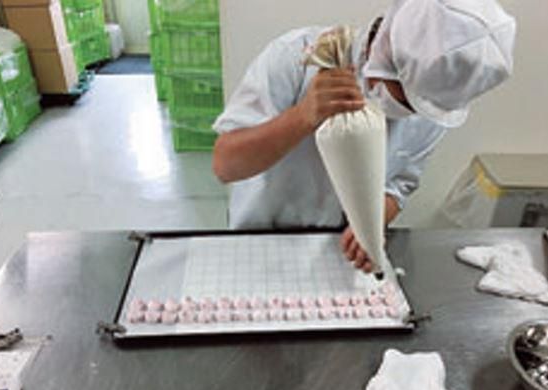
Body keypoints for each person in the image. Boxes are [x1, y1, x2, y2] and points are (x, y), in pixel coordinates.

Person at [212, 0, 516, 272]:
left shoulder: (434, 105)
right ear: (384, 49)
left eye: (419, 106)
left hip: (340, 256)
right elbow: (225, 165)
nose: (410, 113)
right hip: (260, 241)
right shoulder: (296, 57)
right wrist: (302, 116)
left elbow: (399, 185)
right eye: (405, 97)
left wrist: (372, 222)